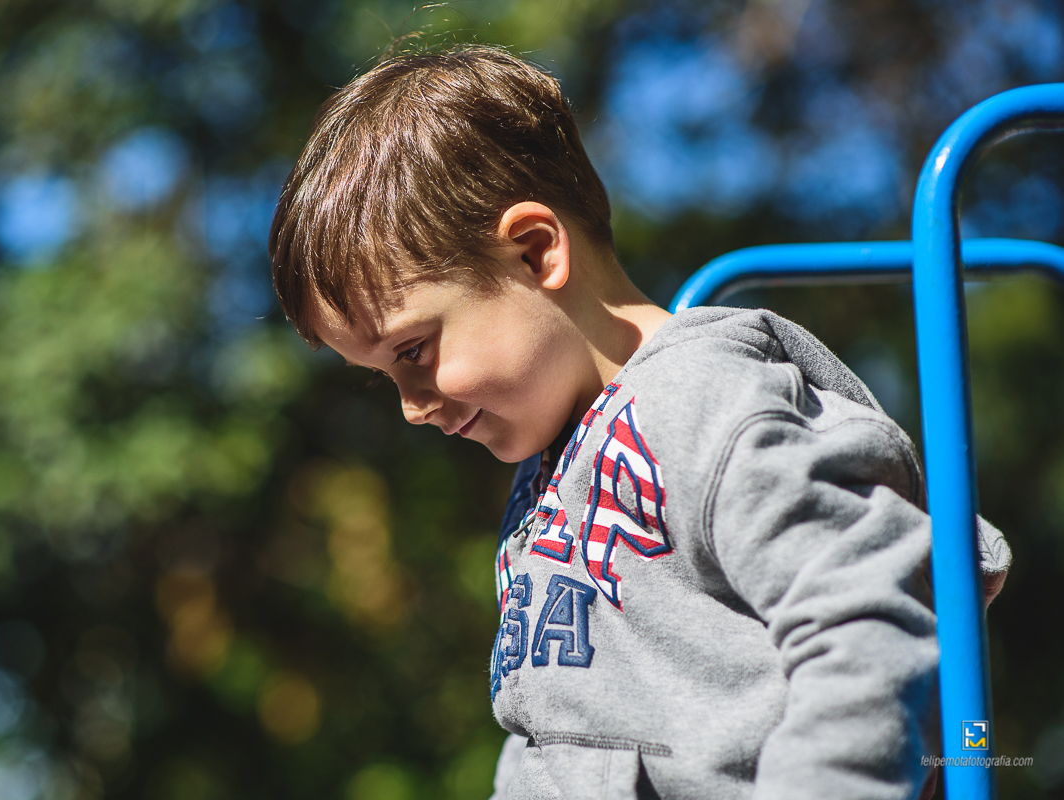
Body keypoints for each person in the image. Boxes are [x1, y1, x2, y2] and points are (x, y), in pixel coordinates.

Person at [268, 44, 1011, 800]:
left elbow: (866, 618)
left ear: (534, 253)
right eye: (385, 376)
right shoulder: (558, 456)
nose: (412, 405)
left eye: (416, 351)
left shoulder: (703, 399)